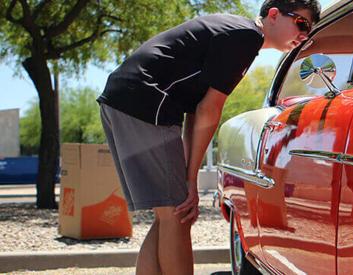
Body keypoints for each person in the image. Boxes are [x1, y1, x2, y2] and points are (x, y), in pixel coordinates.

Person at [96, 0, 320, 274]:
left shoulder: (235, 31)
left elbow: (197, 112)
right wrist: (189, 181)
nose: (305, 34)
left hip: (124, 99)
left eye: (309, 29)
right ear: (273, 15)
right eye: (302, 23)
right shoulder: (247, 37)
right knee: (177, 213)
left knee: (169, 214)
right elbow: (210, 110)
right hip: (145, 102)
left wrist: (188, 175)